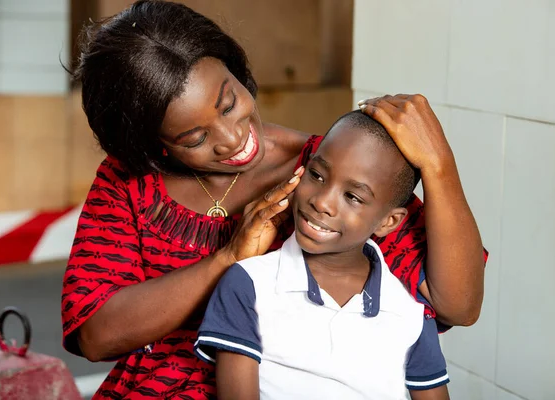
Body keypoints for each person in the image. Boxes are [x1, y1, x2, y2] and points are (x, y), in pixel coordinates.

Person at [61, 1, 486, 398]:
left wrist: (439, 167)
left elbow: (459, 306)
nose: (232, 140)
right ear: (154, 146)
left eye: (228, 104)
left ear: (234, 70)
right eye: (195, 138)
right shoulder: (129, 182)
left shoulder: (326, 178)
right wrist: (227, 259)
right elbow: (95, 335)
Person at [194, 110, 450, 400]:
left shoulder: (410, 311)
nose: (321, 201)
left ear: (388, 222)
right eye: (316, 175)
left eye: (352, 196)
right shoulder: (249, 285)